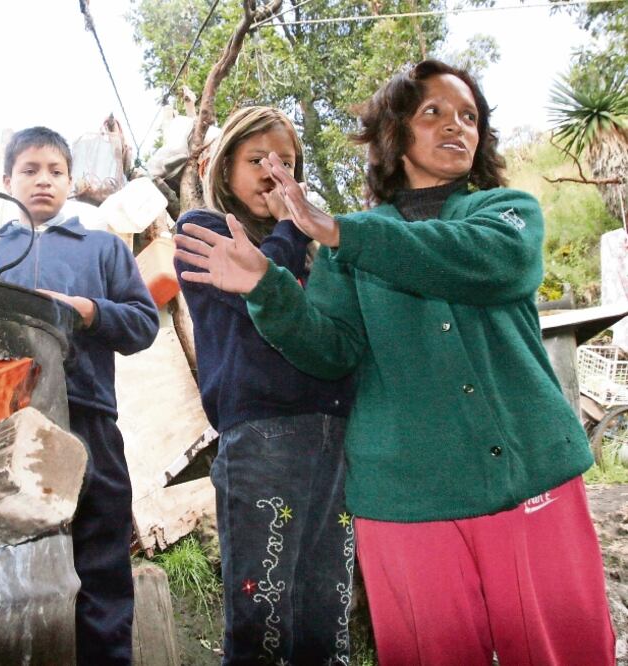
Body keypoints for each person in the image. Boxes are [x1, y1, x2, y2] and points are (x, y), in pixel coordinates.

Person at [175, 60, 615, 665]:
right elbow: (330, 349)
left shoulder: (505, 212)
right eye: (431, 112)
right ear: (394, 134)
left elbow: (493, 261)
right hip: (406, 503)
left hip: (530, 476)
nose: (455, 126)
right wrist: (267, 289)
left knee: (559, 650)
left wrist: (340, 236)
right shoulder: (342, 243)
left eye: (469, 116)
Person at [174, 106, 355, 665]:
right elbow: (256, 295)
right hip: (263, 440)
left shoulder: (316, 250)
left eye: (287, 164)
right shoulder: (200, 230)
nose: (274, 173)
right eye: (257, 160)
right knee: (264, 619)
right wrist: (286, 229)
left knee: (328, 608)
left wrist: (302, 237)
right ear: (224, 166)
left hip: (336, 439)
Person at [0, 126, 159, 665]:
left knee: (101, 562)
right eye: (30, 170)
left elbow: (142, 325)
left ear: (70, 181)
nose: (43, 181)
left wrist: (87, 309)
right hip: (1, 427)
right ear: (6, 181)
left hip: (89, 424)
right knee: (1, 561)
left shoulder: (103, 249)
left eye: (55, 171)